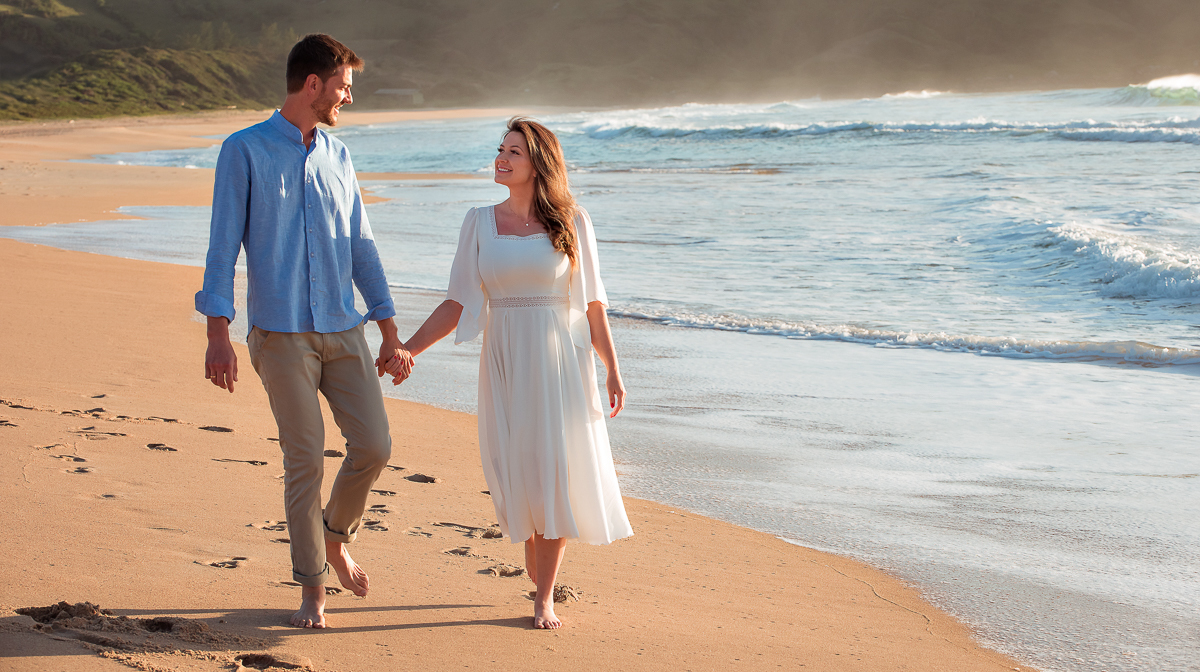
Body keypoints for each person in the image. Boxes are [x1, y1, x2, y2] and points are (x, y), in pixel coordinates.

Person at [195, 33, 413, 629]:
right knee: (306, 459)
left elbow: (361, 248)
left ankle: (335, 534)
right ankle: (313, 587)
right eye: (343, 85)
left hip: (345, 330)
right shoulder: (243, 150)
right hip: (281, 333)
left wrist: (390, 331)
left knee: (374, 447)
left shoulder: (339, 157)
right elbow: (222, 250)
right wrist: (218, 332)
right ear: (312, 85)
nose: (348, 96)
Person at [396, 118, 633, 629]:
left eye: (515, 152)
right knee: (514, 469)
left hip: (560, 363)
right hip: (504, 359)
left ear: (539, 162)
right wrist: (409, 349)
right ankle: (534, 540)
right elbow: (457, 302)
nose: (502, 159)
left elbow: (593, 306)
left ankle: (543, 597)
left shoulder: (573, 221)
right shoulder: (478, 221)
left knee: (555, 471)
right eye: (500, 150)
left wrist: (612, 368)